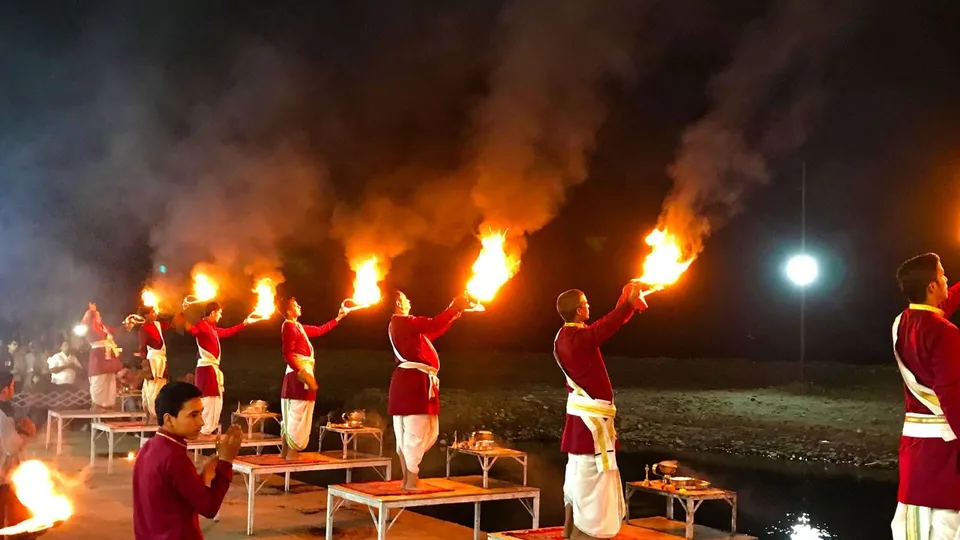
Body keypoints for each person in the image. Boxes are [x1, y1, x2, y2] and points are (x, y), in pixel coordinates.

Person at [554, 282, 647, 540]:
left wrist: (625, 303)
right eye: (585, 304)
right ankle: (586, 534)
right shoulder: (577, 339)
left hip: (584, 421)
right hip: (588, 424)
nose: (589, 307)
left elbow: (601, 326)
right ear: (578, 310)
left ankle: (570, 530)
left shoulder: (567, 335)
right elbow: (605, 328)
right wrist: (626, 306)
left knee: (577, 479)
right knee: (588, 481)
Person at [891, 253, 960, 540]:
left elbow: (940, 304)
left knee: (913, 527)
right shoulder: (945, 332)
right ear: (931, 286)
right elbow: (952, 394)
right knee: (945, 527)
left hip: (914, 449)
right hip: (944, 452)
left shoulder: (901, 322)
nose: (946, 280)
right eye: (943, 276)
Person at [132, 382, 243, 539]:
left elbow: (172, 495)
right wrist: (226, 462)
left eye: (201, 413)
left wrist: (203, 476)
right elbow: (209, 507)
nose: (201, 422)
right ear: (169, 419)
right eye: (193, 415)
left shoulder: (150, 447)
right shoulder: (173, 457)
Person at [388, 290, 469, 489]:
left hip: (405, 382)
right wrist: (453, 307)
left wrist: (453, 315)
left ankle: (408, 479)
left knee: (405, 434)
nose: (409, 300)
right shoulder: (404, 321)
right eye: (406, 298)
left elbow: (432, 331)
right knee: (414, 433)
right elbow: (432, 323)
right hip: (414, 383)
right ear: (399, 302)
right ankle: (412, 480)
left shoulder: (399, 325)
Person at [279, 297, 349, 459]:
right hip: (298, 376)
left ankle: (285, 452)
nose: (299, 306)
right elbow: (287, 354)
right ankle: (291, 453)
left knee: (296, 414)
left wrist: (338, 318)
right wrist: (302, 373)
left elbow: (319, 330)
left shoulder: (297, 327)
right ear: (289, 311)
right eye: (296, 305)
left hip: (302, 373)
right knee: (298, 414)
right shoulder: (288, 326)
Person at [183, 302, 260, 435]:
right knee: (207, 400)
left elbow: (227, 332)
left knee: (216, 401)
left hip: (211, 368)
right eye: (219, 312)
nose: (220, 315)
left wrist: (245, 323)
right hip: (206, 368)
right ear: (212, 313)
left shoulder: (212, 328)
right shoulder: (203, 324)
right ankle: (200, 431)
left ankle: (206, 431)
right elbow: (193, 331)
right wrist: (185, 313)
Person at [0, 370, 38, 533]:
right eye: (12, 386)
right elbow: (11, 447)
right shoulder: (3, 416)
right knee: (20, 519)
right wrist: (25, 433)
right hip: (3, 479)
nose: (13, 391)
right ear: (4, 390)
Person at [133, 306, 177, 420]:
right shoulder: (143, 329)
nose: (155, 314)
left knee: (160, 385)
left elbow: (169, 324)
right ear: (146, 315)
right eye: (152, 312)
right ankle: (152, 413)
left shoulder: (157, 324)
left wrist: (178, 311)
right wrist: (145, 362)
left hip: (161, 358)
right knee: (152, 386)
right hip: (152, 359)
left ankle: (158, 411)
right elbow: (142, 347)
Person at [82, 301, 123, 410]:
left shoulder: (103, 327)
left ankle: (107, 413)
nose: (100, 316)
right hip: (98, 359)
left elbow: (116, 331)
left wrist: (127, 324)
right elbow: (87, 324)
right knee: (98, 387)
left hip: (108, 358)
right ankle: (95, 414)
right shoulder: (90, 328)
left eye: (99, 314)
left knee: (110, 387)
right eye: (97, 315)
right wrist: (92, 311)